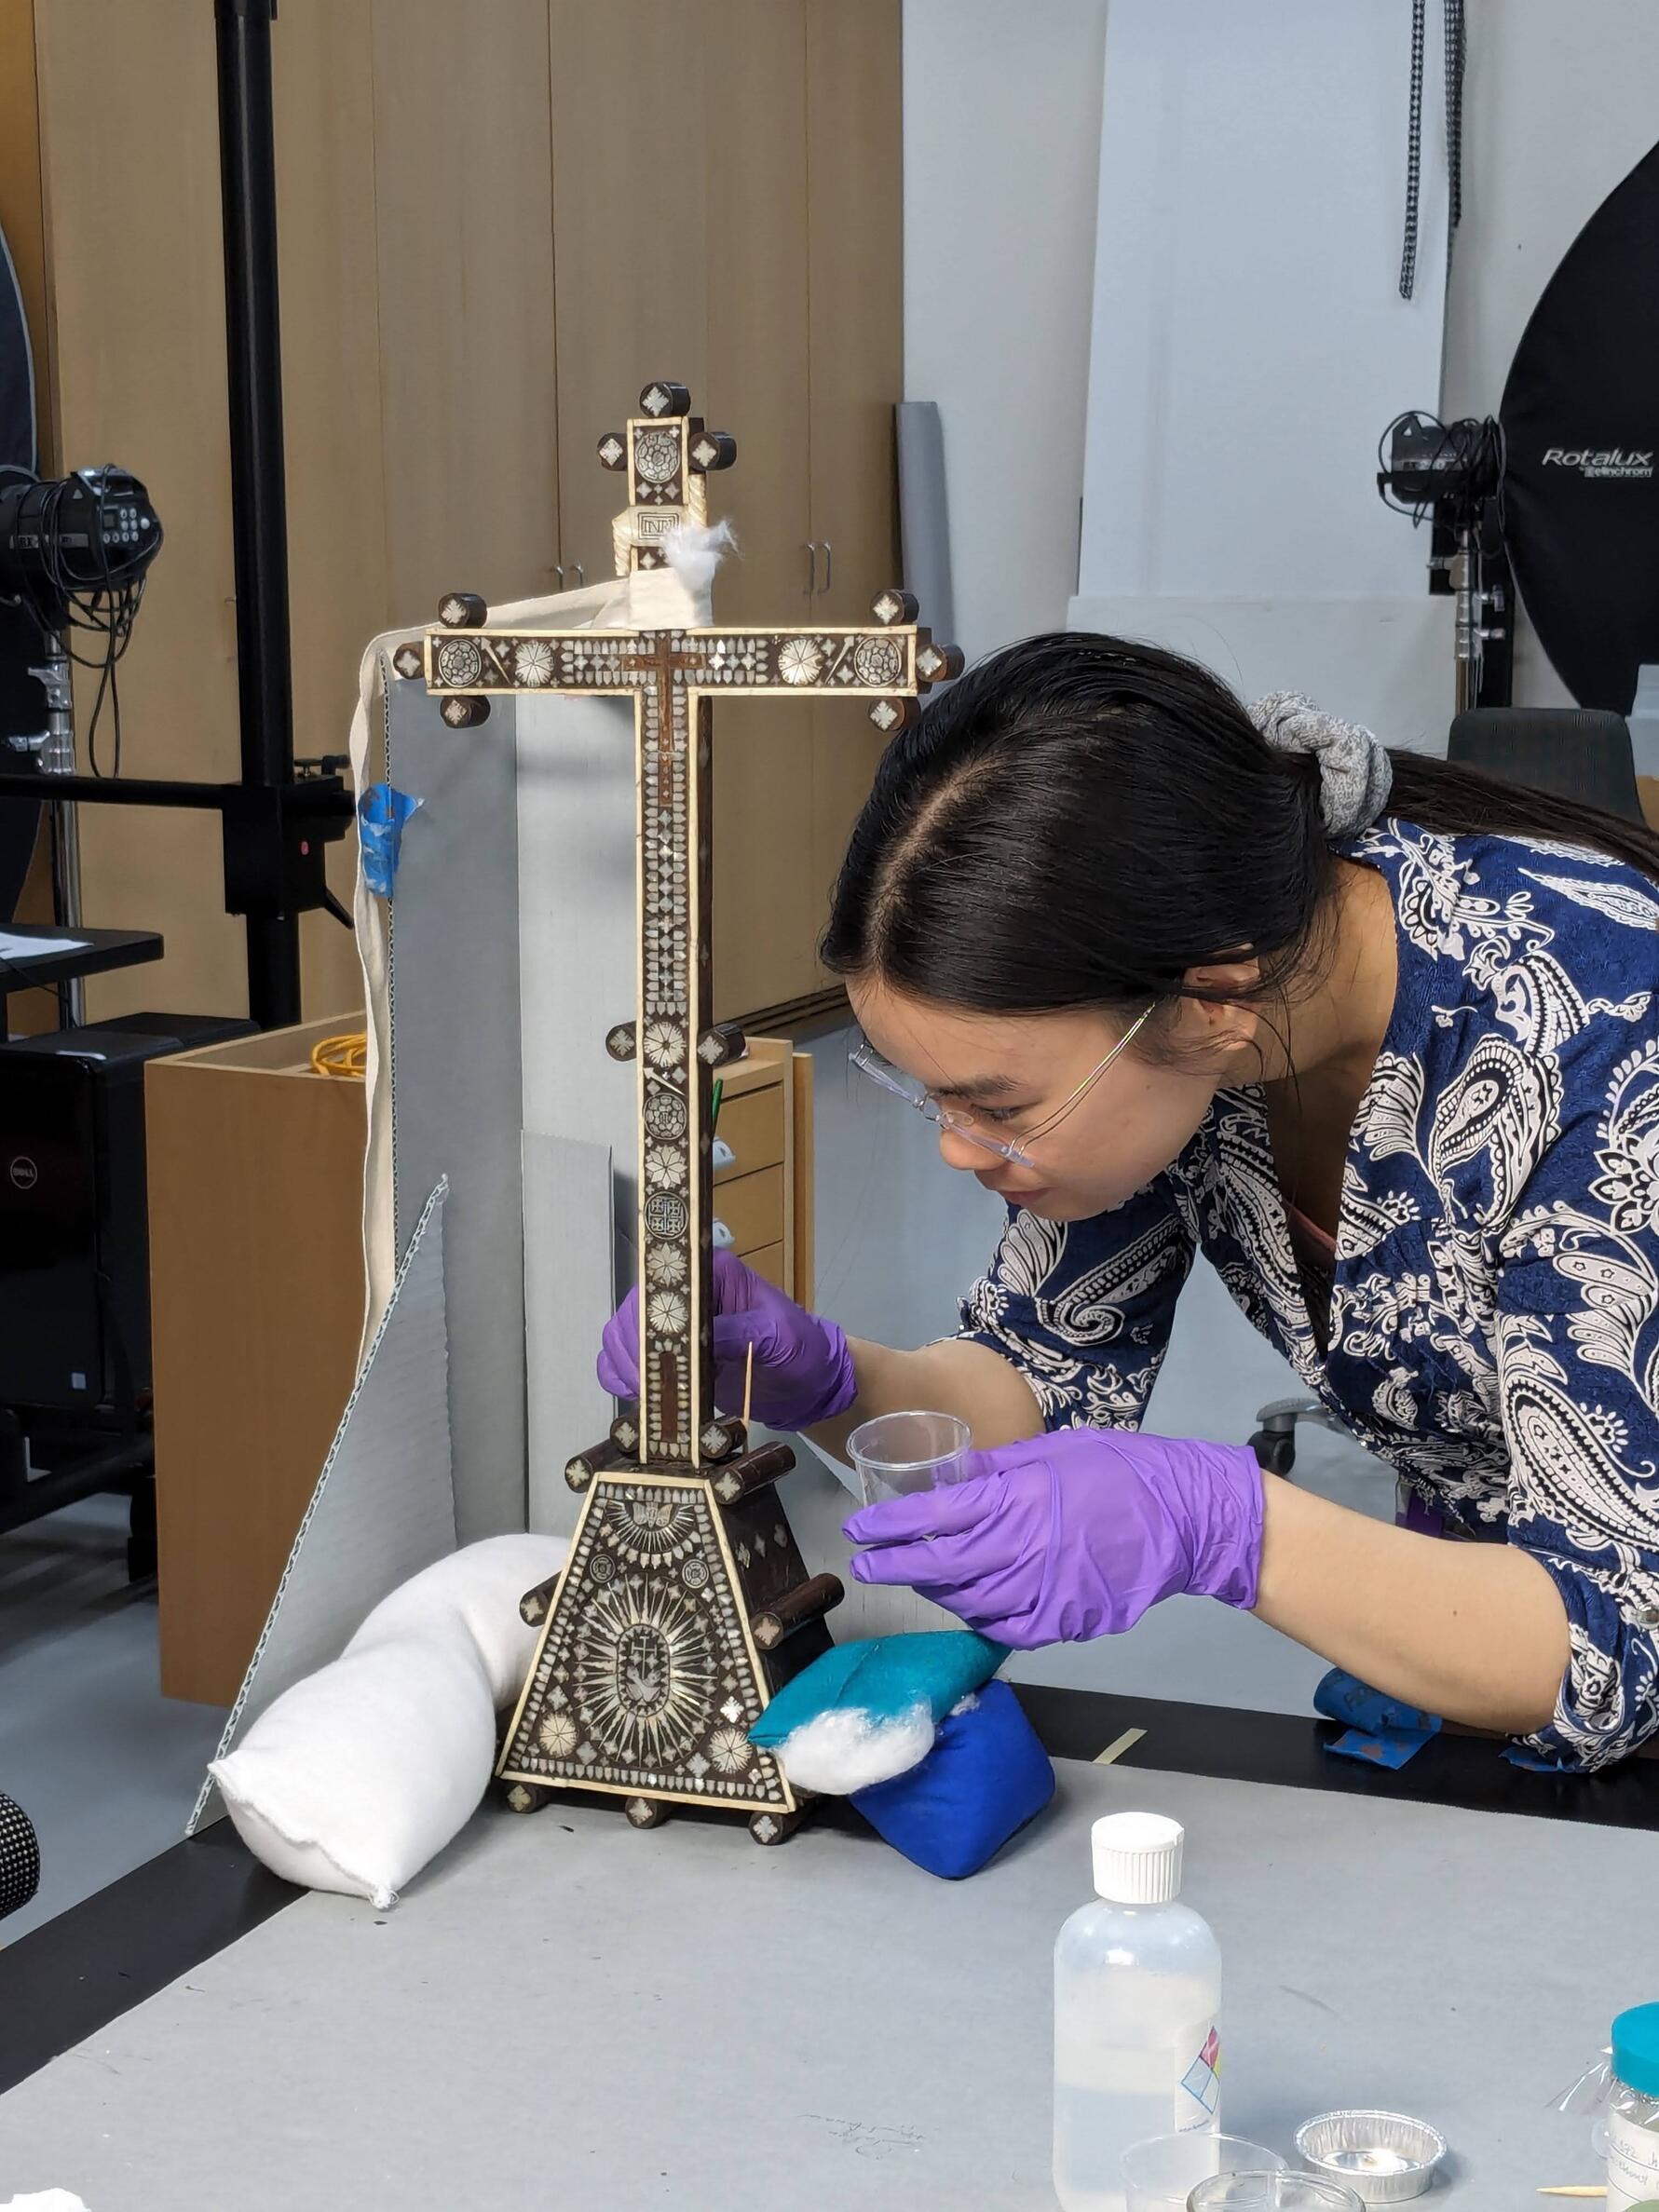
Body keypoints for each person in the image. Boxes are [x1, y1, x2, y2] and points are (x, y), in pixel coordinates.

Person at [601, 634, 1659, 1771]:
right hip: (1469, 1640)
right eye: (932, 1099)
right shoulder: (1196, 1029)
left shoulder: (1602, 1037)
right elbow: (1036, 1384)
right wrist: (834, 1379)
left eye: (997, 1102)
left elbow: (1602, 1647)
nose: (961, 1148)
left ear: (1209, 1000)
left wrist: (1221, 1522)